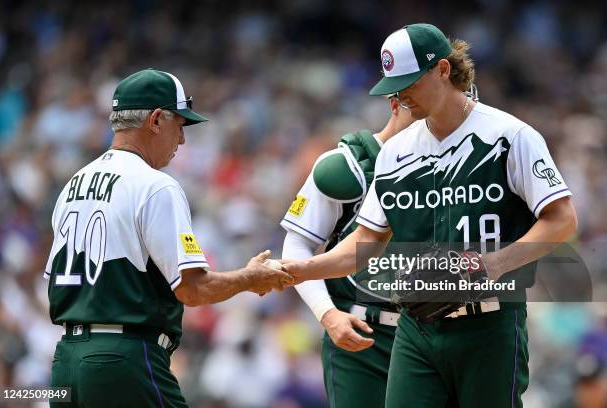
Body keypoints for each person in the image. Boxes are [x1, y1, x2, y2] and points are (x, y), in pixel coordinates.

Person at [282, 23, 578, 408]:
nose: (400, 96)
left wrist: (493, 264)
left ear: (442, 70)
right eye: (394, 87)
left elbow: (562, 219)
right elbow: (366, 241)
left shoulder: (510, 136)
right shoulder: (395, 151)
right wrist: (299, 270)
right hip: (416, 324)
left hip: (488, 322)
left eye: (409, 83)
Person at [44, 68, 293, 408]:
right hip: (123, 360)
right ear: (157, 120)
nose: (183, 139)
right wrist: (250, 278)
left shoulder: (73, 185)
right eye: (180, 124)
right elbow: (193, 288)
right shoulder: (155, 185)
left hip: (65, 362)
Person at [281, 96, 414, 407]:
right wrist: (327, 314)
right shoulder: (350, 166)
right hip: (363, 333)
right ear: (395, 104)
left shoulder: (458, 168)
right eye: (420, 104)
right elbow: (297, 242)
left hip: (431, 331)